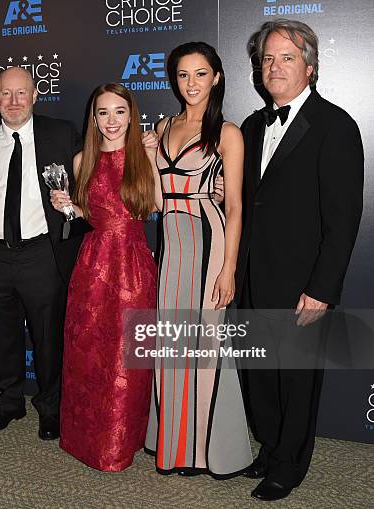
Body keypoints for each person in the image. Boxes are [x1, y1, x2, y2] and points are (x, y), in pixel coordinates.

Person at [237, 20, 363, 501]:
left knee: (296, 379)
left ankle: (290, 465)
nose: (275, 67)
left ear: (311, 65)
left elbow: (343, 220)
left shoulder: (336, 125)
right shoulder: (251, 125)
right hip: (253, 275)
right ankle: (270, 449)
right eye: (268, 58)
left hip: (302, 282)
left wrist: (323, 289)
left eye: (287, 57)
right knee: (260, 374)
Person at [144, 42, 252, 478]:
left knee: (204, 349)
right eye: (183, 75)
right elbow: (155, 201)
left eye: (200, 74)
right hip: (171, 243)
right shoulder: (163, 124)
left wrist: (229, 268)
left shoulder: (228, 133)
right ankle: (172, 444)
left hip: (209, 242)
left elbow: (237, 207)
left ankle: (203, 451)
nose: (191, 83)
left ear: (217, 78)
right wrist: (151, 157)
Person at [0, 67, 82, 440]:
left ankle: (50, 406)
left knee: (48, 336)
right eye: (5, 94)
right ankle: (10, 400)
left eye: (21, 94)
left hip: (42, 253)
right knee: (2, 333)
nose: (13, 102)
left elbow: (93, 183)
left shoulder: (61, 134)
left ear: (35, 96)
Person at [51, 83, 160, 471]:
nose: (111, 121)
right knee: (89, 350)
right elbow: (87, 214)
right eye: (103, 113)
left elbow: (157, 204)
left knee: (126, 356)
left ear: (132, 115)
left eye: (119, 112)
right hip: (93, 263)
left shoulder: (145, 155)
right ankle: (84, 440)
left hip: (132, 265)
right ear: (93, 118)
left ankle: (119, 445)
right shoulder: (82, 160)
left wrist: (150, 155)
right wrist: (67, 206)